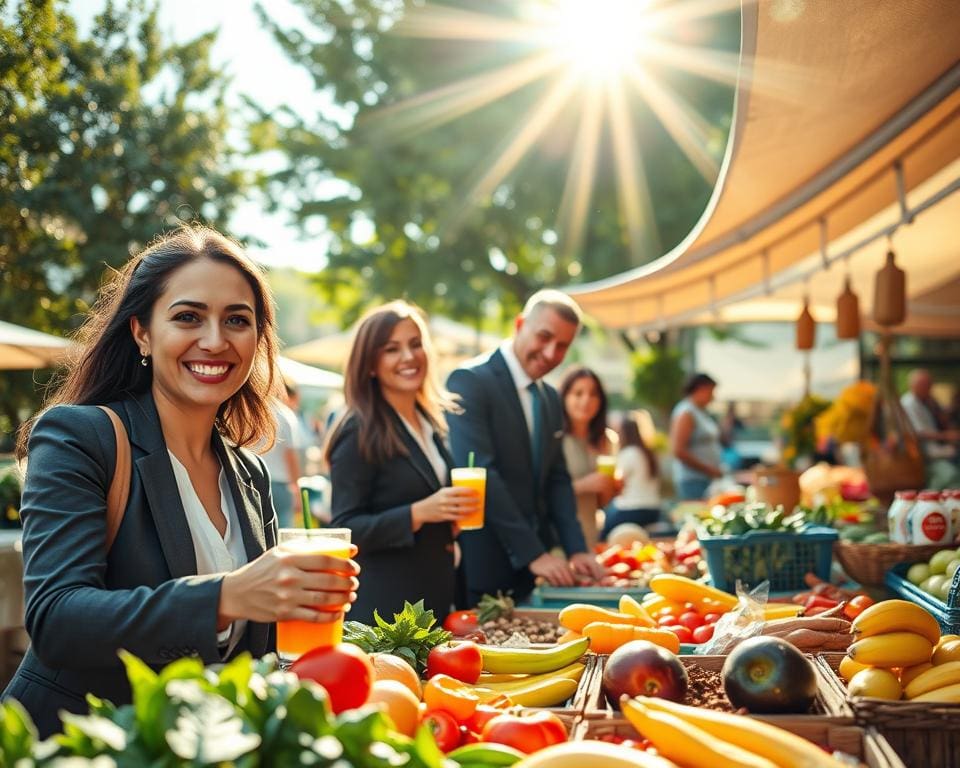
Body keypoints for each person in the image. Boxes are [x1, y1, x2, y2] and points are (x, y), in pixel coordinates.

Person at [1, 225, 359, 737]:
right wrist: (227, 596)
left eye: (237, 320)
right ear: (142, 331)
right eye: (188, 317)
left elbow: (250, 646)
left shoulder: (250, 471)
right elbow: (58, 620)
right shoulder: (82, 436)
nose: (215, 340)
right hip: (81, 744)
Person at [446, 290, 606, 605]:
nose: (550, 352)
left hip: (536, 569)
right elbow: (482, 474)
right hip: (486, 564)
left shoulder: (548, 397)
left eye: (562, 346)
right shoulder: (469, 381)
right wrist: (533, 552)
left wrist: (577, 548)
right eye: (544, 337)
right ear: (520, 324)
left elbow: (558, 478)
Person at [325, 300, 479, 624]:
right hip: (389, 614)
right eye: (391, 349)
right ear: (370, 364)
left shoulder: (429, 421)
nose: (408, 357)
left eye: (415, 344)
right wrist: (418, 513)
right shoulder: (359, 430)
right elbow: (344, 528)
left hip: (434, 599)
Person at [559, 367, 618, 550]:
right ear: (564, 397)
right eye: (578, 393)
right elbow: (539, 492)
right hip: (557, 539)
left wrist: (612, 488)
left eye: (593, 394)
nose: (586, 400)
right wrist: (583, 485)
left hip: (589, 536)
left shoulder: (605, 441)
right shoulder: (554, 439)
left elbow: (601, 501)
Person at [602, 412, 661, 538]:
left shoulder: (628, 453)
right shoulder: (648, 453)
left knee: (603, 532)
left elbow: (617, 482)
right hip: (653, 509)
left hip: (632, 509)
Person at [670, 373, 723, 500]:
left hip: (705, 479)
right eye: (711, 392)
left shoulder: (700, 412)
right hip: (693, 480)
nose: (713, 397)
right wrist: (708, 469)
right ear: (700, 389)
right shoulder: (686, 413)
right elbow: (678, 450)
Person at [259, 383, 304, 528]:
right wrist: (297, 491)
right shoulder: (285, 415)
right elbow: (291, 456)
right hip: (280, 484)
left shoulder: (252, 411)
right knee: (282, 533)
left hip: (253, 481)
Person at [901, 369, 959, 461]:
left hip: (939, 449)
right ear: (914, 385)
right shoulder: (908, 403)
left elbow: (944, 419)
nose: (930, 388)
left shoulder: (928, 401)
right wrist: (946, 435)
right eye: (926, 385)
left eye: (930, 385)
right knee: (951, 473)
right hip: (925, 454)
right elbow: (918, 433)